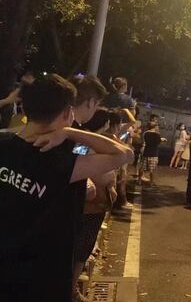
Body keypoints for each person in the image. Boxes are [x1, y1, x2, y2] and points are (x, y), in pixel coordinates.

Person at [0, 75, 132, 302]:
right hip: (42, 281)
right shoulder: (61, 164)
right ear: (66, 113)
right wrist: (70, 132)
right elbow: (123, 154)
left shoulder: (4, 144)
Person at [72, 108, 120, 300]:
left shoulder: (82, 142)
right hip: (91, 204)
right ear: (104, 123)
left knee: (79, 247)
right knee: (81, 248)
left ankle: (71, 287)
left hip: (86, 203)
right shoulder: (94, 144)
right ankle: (71, 289)